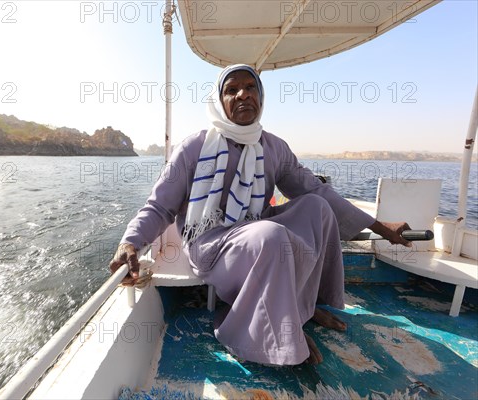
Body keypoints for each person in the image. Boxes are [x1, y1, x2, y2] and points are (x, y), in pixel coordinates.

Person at [109, 64, 411, 366]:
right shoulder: (195, 147)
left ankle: (302, 306)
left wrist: (381, 228)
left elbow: (317, 191)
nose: (243, 94)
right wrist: (130, 243)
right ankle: (276, 329)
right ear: (219, 100)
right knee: (271, 236)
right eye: (231, 90)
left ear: (261, 96)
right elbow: (160, 206)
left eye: (250, 87)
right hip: (210, 243)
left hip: (256, 231)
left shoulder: (273, 147)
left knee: (317, 209)